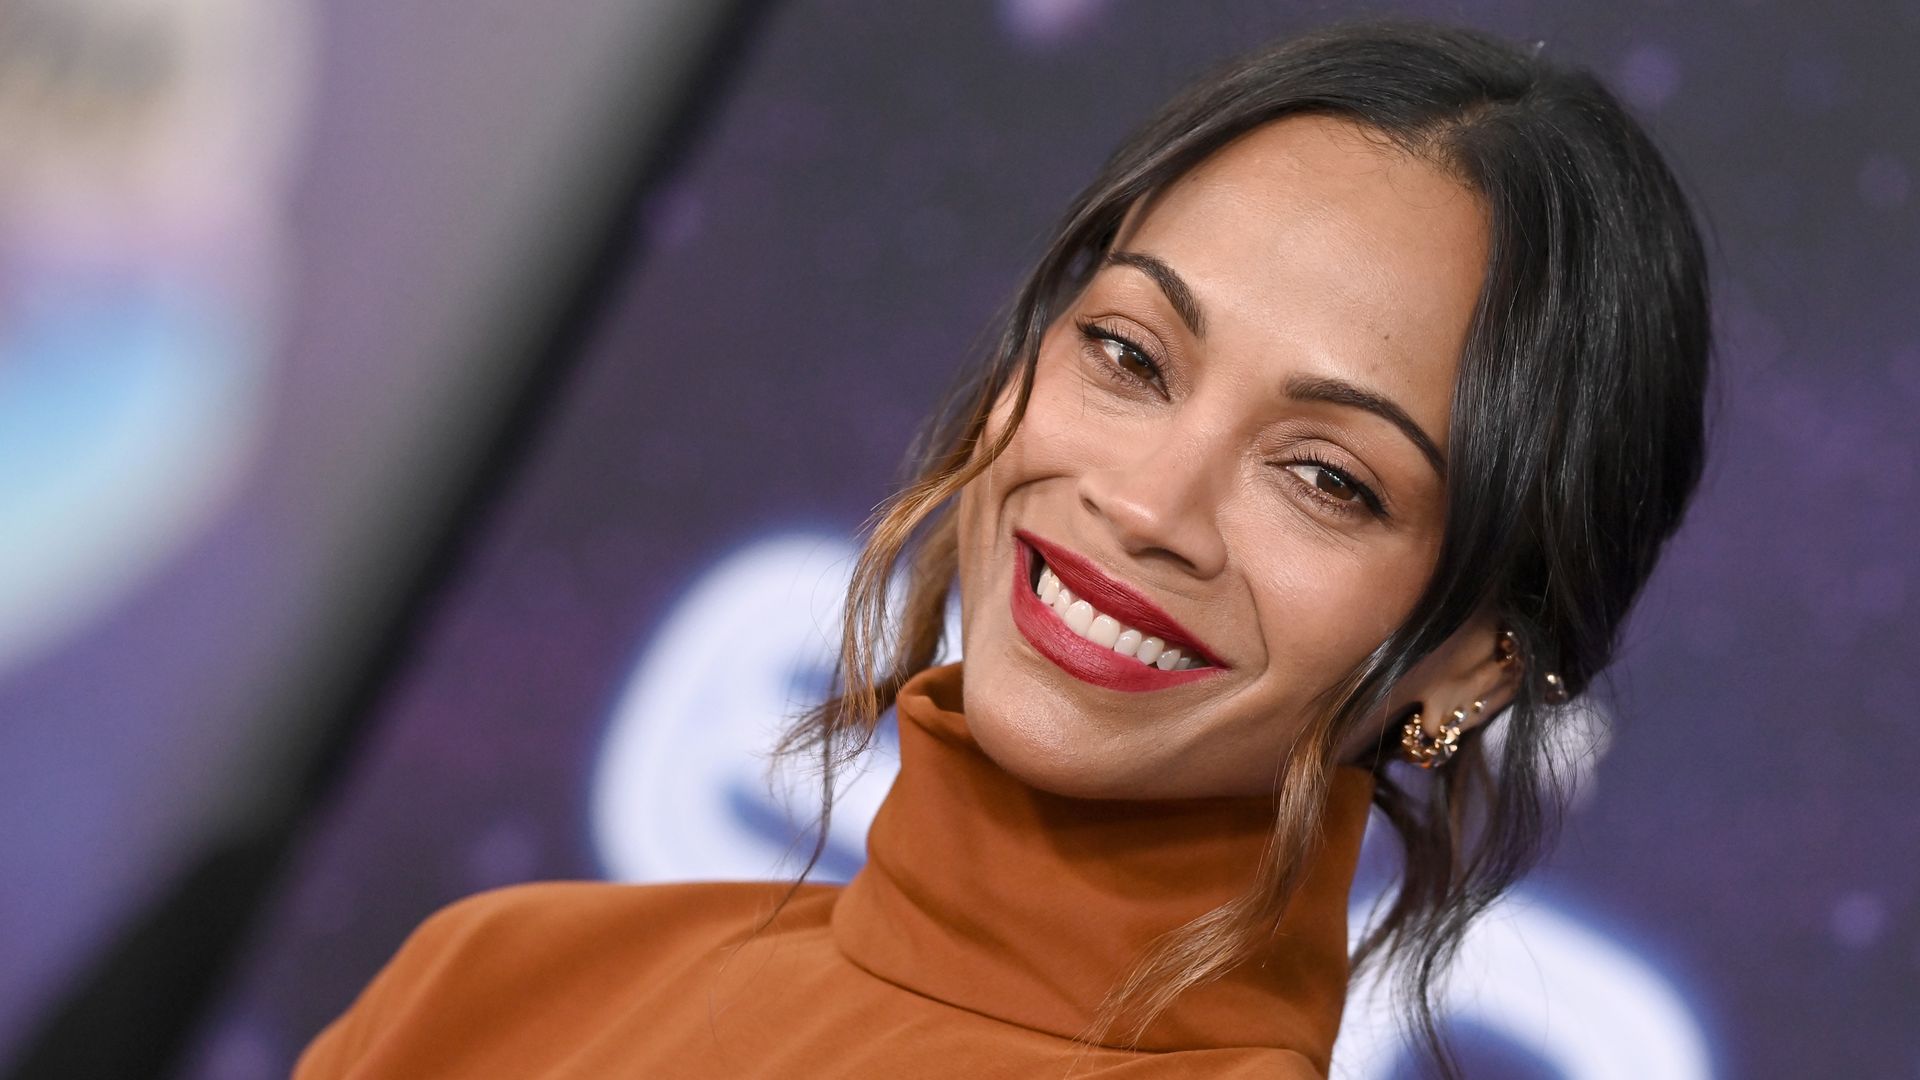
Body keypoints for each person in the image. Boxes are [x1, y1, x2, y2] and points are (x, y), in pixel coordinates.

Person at [294, 18, 1709, 1080]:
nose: (1147, 504)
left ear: (1476, 664)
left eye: (1327, 478)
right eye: (1129, 353)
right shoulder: (500, 984)